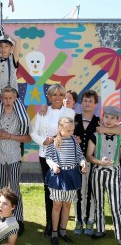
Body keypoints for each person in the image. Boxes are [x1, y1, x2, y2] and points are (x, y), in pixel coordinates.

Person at [30, 84, 75, 237]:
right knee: (49, 189)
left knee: (63, 191)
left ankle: (61, 227)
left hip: (65, 157)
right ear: (48, 97)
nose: (57, 98)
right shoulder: (42, 111)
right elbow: (33, 132)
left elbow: (70, 132)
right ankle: (50, 224)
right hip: (46, 156)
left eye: (60, 95)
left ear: (64, 97)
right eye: (53, 95)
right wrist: (44, 141)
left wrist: (57, 139)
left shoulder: (70, 112)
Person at [0, 86, 31, 236]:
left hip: (14, 156)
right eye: (5, 98)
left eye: (10, 98)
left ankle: (18, 220)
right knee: (1, 188)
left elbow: (28, 137)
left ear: (15, 99)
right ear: (1, 98)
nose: (7, 101)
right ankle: (3, 216)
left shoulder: (21, 116)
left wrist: (9, 136)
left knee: (14, 189)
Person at [46, 117, 87, 245]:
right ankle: (54, 233)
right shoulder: (54, 142)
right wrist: (53, 165)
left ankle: (63, 232)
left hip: (71, 176)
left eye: (72, 130)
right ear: (60, 128)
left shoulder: (74, 141)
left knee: (67, 205)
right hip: (58, 177)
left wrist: (83, 163)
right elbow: (48, 157)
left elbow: (80, 156)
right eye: (68, 130)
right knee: (57, 205)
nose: (71, 132)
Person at [86, 105, 121, 243]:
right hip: (98, 173)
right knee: (98, 203)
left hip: (115, 173)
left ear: (117, 120)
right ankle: (100, 229)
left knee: (116, 204)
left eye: (112, 118)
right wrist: (100, 161)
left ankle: (119, 233)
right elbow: (89, 156)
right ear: (103, 117)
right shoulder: (95, 136)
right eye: (106, 117)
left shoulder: (119, 136)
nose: (108, 120)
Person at [72, 89, 99, 235]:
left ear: (95, 104)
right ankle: (78, 220)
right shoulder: (75, 118)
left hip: (92, 162)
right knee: (78, 192)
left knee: (90, 192)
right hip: (77, 162)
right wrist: (73, 139)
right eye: (85, 100)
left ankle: (90, 220)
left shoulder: (99, 121)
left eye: (90, 101)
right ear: (81, 103)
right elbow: (65, 133)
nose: (87, 103)